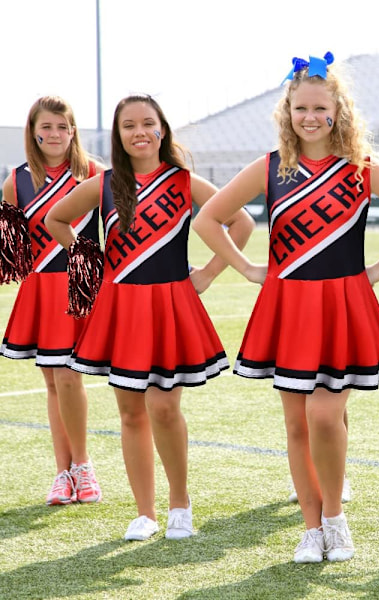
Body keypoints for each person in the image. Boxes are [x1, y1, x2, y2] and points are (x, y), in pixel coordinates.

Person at [194, 52, 379, 563]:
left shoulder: (361, 167)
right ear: (288, 111)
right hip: (289, 304)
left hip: (342, 306)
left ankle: (335, 517)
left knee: (326, 415)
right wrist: (246, 269)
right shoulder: (270, 168)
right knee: (296, 424)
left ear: (338, 110)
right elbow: (209, 219)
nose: (309, 117)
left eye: (319, 108)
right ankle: (310, 529)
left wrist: (377, 270)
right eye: (300, 107)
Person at [45, 94, 254, 541]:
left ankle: (180, 503)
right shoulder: (105, 185)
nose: (139, 131)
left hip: (171, 304)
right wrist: (91, 263)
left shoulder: (183, 181)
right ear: (119, 136)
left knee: (163, 406)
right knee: (130, 412)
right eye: (128, 125)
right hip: (121, 306)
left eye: (147, 122)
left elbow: (240, 223)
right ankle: (146, 512)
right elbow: (55, 219)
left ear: (162, 129)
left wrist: (210, 274)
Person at [0, 96, 103, 506]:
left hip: (80, 284)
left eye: (63, 127)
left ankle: (82, 465)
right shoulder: (16, 180)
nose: (55, 134)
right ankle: (64, 473)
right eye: (46, 127)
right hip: (41, 286)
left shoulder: (94, 173)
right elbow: (12, 246)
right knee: (53, 380)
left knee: (67, 377)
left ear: (73, 130)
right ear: (34, 131)